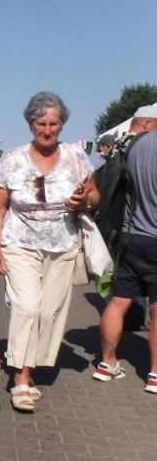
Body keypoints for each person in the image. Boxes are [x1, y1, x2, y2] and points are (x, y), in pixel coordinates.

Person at [0, 92, 100, 412]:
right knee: (27, 306)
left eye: (54, 123)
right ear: (30, 124)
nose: (48, 130)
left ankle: (30, 367)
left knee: (49, 313)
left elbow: (95, 195)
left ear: (62, 123)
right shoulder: (12, 158)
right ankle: (20, 378)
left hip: (62, 245)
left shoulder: (77, 157)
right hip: (19, 243)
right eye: (41, 124)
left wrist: (85, 201)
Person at [93, 129, 157, 393]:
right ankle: (154, 375)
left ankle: (107, 364)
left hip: (130, 237)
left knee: (118, 301)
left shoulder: (134, 145)